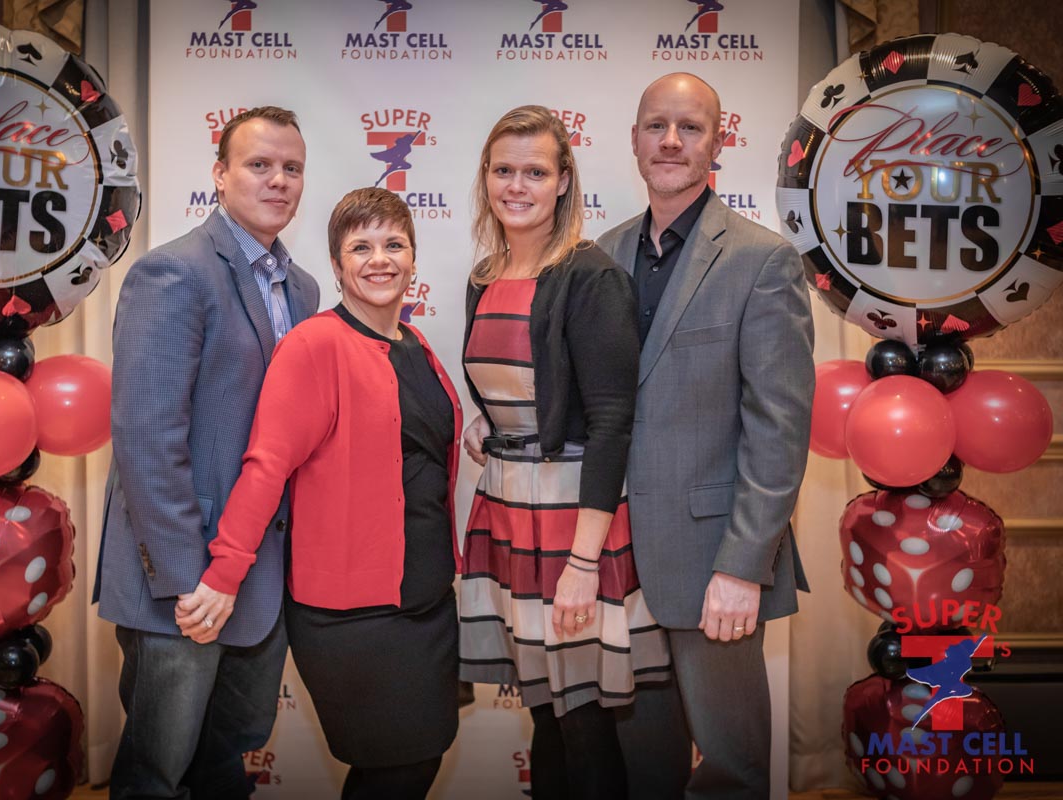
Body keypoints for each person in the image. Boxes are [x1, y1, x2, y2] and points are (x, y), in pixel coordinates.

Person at [191, 187, 463, 800]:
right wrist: (225, 572)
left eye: (394, 244)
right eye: (360, 247)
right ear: (337, 266)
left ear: (413, 259)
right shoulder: (315, 345)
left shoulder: (417, 345)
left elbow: (415, 446)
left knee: (416, 763)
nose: (379, 259)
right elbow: (266, 466)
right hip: (354, 616)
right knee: (394, 770)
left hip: (427, 601)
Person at [596, 73, 814, 799]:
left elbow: (779, 428)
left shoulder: (762, 260)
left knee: (730, 772)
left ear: (717, 142)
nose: (670, 141)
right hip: (617, 563)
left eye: (689, 128)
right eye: (655, 126)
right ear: (633, 140)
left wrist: (744, 567)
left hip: (713, 562)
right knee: (643, 771)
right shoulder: (603, 254)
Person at [93, 106, 319, 799]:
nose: (278, 180)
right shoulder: (174, 273)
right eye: (259, 165)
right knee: (156, 774)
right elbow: (146, 438)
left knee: (228, 761)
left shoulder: (304, 289)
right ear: (220, 175)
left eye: (291, 168)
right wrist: (189, 578)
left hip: (259, 576)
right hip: (183, 582)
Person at [459, 105, 669, 800]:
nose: (517, 186)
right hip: (506, 511)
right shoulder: (484, 275)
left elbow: (611, 421)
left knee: (583, 721)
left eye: (535, 172)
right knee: (548, 713)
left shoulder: (590, 276)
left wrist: (583, 564)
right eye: (504, 170)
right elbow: (533, 387)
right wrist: (490, 422)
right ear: (486, 178)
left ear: (562, 181)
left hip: (573, 520)